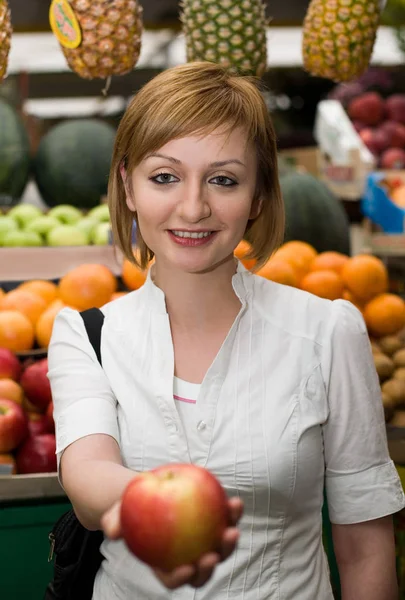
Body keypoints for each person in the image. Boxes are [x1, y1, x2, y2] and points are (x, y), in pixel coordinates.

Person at [48, 61, 405, 600]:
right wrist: (161, 509)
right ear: (127, 187)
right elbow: (88, 478)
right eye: (164, 177)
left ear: (258, 194)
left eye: (223, 179)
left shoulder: (328, 332)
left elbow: (364, 543)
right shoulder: (86, 334)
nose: (193, 207)